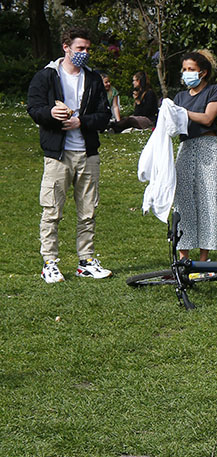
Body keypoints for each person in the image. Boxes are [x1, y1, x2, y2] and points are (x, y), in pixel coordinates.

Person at [27, 27, 113, 283]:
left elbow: (104, 115)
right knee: (51, 210)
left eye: (87, 49)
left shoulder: (94, 79)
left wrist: (81, 122)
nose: (84, 54)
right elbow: (34, 108)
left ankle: (86, 261)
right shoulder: (46, 76)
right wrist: (51, 115)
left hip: (87, 154)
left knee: (88, 211)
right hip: (58, 155)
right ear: (66, 47)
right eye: (80, 49)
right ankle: (50, 263)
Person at [172, 51, 217, 262]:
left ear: (203, 72)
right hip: (186, 148)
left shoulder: (215, 91)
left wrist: (180, 112)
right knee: (183, 200)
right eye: (185, 69)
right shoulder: (180, 97)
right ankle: (183, 257)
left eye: (191, 70)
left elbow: (207, 118)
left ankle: (204, 258)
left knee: (209, 199)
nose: (186, 73)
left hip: (208, 147)